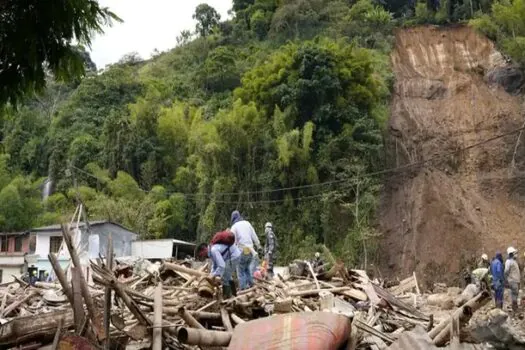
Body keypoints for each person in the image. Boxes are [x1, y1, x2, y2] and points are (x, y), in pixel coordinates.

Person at [198, 232, 241, 299]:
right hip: (233, 255)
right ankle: (233, 295)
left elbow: (221, 266)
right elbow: (215, 265)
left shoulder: (213, 250)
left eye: (201, 254)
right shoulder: (212, 251)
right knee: (227, 276)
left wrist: (213, 275)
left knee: (225, 277)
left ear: (204, 249)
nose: (202, 256)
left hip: (234, 256)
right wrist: (211, 274)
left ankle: (227, 297)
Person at [230, 210, 260, 290]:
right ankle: (251, 285)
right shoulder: (247, 223)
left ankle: (243, 288)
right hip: (250, 250)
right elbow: (254, 236)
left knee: (240, 270)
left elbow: (232, 241)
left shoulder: (234, 226)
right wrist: (258, 245)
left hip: (242, 250)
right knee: (246, 269)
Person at [505, 246, 521, 313]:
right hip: (513, 281)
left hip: (516, 280)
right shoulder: (508, 261)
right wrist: (508, 279)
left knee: (516, 294)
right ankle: (515, 308)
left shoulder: (513, 261)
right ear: (511, 254)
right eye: (514, 253)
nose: (516, 254)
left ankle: (515, 307)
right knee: (514, 294)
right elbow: (506, 271)